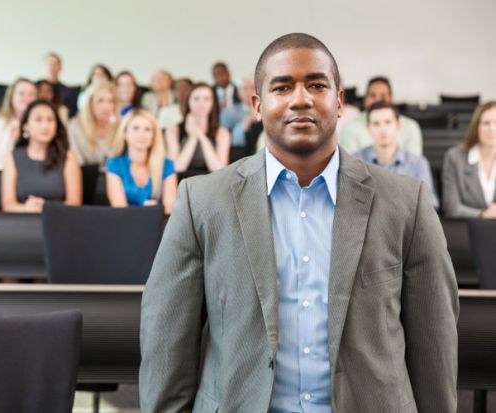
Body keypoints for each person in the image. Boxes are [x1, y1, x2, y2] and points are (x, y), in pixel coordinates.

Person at [140, 33, 458, 412]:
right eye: (282, 86)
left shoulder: (408, 203)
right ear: (257, 105)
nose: (301, 98)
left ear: (339, 101)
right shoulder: (201, 201)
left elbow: (434, 342)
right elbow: (166, 340)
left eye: (317, 85)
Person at [1, 99, 81, 213]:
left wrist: (47, 208)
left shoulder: (68, 156)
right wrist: (25, 209)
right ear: (25, 126)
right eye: (38, 120)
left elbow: (74, 202)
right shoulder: (14, 157)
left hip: (58, 221)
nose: (45, 126)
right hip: (22, 222)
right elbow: (8, 204)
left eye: (50, 120)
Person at [354, 101, 439, 208]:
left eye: (388, 122)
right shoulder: (354, 162)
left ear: (398, 125)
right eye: (376, 123)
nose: (383, 129)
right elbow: (349, 203)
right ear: (369, 128)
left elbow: (431, 203)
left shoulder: (417, 163)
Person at [106, 110, 177, 214]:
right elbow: (119, 209)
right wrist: (145, 210)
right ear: (125, 133)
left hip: (158, 226)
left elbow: (170, 208)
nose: (141, 134)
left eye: (147, 129)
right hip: (125, 224)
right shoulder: (115, 164)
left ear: (153, 136)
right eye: (136, 128)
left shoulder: (167, 165)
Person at [339, 76, 423, 155]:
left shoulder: (410, 127)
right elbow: (349, 166)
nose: (378, 100)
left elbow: (414, 165)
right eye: (373, 95)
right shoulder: (350, 127)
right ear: (364, 100)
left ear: (391, 99)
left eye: (383, 96)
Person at [442, 101, 496, 218]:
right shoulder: (454, 158)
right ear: (476, 127)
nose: (492, 128)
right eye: (486, 123)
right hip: (466, 231)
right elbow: (452, 208)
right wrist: (483, 214)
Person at [165, 82, 231, 173]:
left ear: (213, 103)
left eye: (206, 99)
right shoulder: (173, 130)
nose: (201, 103)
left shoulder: (222, 132)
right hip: (181, 182)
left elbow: (219, 169)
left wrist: (200, 135)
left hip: (211, 183)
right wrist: (193, 137)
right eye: (196, 99)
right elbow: (176, 168)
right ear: (188, 101)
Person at [0, 78, 37, 171]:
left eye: (31, 94)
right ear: (11, 97)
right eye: (21, 93)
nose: (26, 98)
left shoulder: (43, 126)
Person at [67, 81, 119, 166]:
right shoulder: (75, 126)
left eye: (110, 101)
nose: (106, 107)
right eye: (100, 101)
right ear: (90, 103)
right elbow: (76, 161)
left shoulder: (118, 127)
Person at [220, 77, 263, 152]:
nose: (249, 92)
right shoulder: (229, 112)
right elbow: (234, 141)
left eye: (252, 88)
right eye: (245, 88)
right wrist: (248, 119)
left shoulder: (268, 109)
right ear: (238, 93)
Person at [45, 52, 78, 118]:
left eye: (55, 64)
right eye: (49, 64)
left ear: (60, 67)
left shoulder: (69, 92)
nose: (52, 67)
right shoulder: (37, 88)